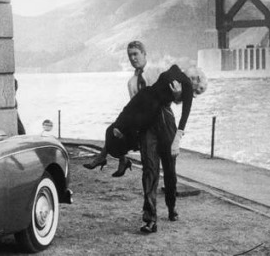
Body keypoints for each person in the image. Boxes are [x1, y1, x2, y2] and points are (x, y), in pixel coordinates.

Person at [105, 62, 207, 234]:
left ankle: (171, 206)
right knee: (150, 169)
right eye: (195, 77)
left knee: (167, 170)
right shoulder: (177, 73)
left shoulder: (181, 83)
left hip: (164, 121)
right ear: (194, 74)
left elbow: (183, 112)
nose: (193, 82)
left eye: (196, 85)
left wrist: (176, 140)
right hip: (149, 122)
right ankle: (150, 218)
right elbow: (182, 113)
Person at [83, 41, 181, 177]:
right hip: (145, 125)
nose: (133, 59)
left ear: (144, 54)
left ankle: (112, 158)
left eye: (135, 54)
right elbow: (134, 108)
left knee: (169, 167)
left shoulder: (159, 72)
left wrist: (176, 95)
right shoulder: (132, 82)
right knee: (148, 167)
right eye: (130, 56)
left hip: (163, 122)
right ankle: (121, 161)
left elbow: (176, 98)